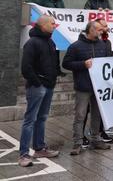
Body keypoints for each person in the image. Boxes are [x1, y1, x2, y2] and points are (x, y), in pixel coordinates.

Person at [63, 20, 110, 155]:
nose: (102, 32)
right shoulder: (76, 46)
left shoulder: (102, 45)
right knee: (80, 115)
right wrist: (83, 64)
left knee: (97, 114)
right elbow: (66, 63)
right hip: (83, 86)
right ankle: (77, 142)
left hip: (98, 87)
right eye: (99, 30)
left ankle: (95, 139)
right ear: (91, 30)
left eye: (102, 30)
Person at [19, 15, 60, 167]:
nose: (54, 25)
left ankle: (39, 148)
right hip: (38, 87)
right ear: (43, 25)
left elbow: (53, 64)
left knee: (42, 117)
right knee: (30, 119)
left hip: (48, 85)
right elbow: (26, 68)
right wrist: (37, 83)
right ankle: (23, 154)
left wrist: (52, 81)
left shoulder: (50, 41)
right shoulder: (32, 43)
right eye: (52, 23)